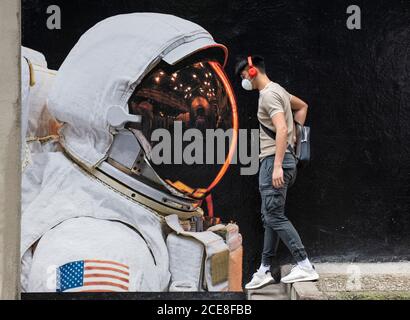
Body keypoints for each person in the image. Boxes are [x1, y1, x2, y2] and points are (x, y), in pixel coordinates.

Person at [235, 55, 319, 288]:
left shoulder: (269, 95)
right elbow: (302, 107)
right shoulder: (279, 90)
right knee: (270, 216)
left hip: (274, 161)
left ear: (252, 72)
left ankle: (304, 265)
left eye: (244, 76)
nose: (244, 81)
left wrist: (279, 164)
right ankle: (264, 269)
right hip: (279, 160)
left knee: (274, 216)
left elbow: (281, 128)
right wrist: (296, 137)